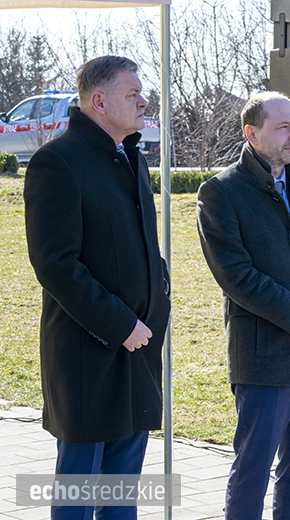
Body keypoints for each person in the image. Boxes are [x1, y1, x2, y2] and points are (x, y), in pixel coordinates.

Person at [24, 55, 171, 520]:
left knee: (122, 495)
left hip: (139, 346)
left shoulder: (131, 157)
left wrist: (158, 298)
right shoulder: (57, 162)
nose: (144, 101)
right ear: (100, 101)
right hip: (89, 352)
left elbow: (142, 245)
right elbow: (56, 265)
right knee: (79, 492)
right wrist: (120, 324)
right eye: (133, 94)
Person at [196, 91, 290, 519]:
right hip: (265, 358)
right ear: (252, 133)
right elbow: (236, 276)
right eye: (283, 127)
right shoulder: (221, 192)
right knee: (253, 471)